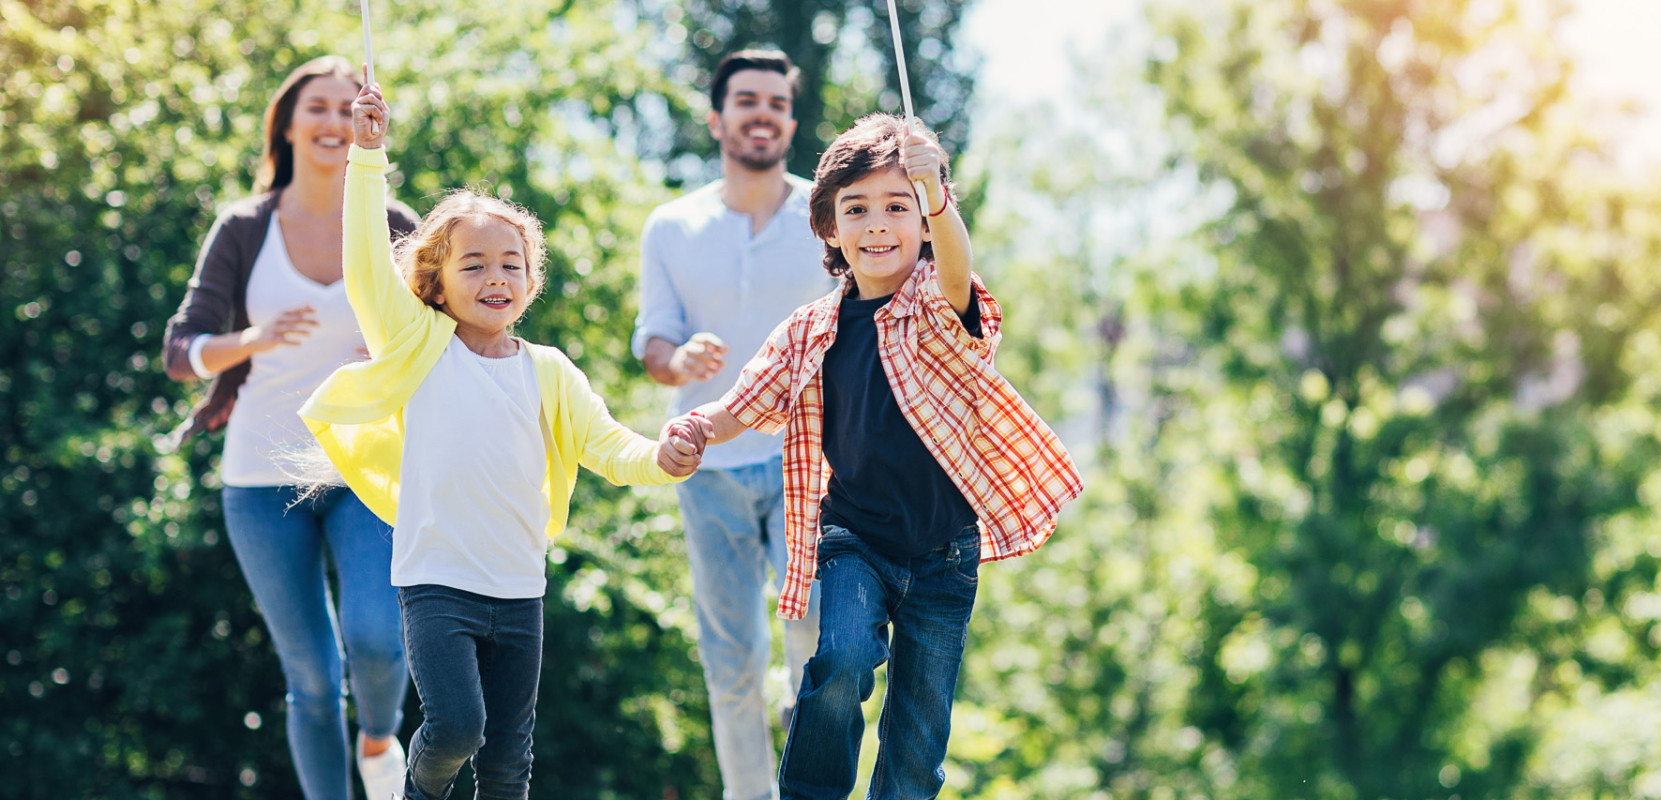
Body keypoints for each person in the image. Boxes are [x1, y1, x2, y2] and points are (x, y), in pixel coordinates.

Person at [301, 72, 704, 800]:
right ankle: (414, 794)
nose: (496, 277)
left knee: (508, 763)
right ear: (438, 279)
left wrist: (666, 458)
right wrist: (368, 157)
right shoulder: (419, 344)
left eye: (511, 264)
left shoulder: (548, 371)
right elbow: (364, 268)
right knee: (455, 729)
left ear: (531, 280)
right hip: (437, 584)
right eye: (474, 264)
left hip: (520, 588)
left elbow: (613, 448)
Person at [667, 114, 1084, 800]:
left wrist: (938, 197)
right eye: (856, 209)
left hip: (944, 555)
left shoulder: (930, 304)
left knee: (919, 739)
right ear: (829, 227)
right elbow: (742, 402)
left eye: (899, 207)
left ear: (923, 220)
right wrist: (696, 430)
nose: (878, 225)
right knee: (841, 659)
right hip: (854, 538)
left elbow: (956, 270)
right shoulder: (808, 330)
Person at [160, 54, 418, 800]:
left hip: (363, 471)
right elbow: (180, 351)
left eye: (348, 109)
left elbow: (448, 335)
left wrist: (402, 347)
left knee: (374, 637)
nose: (334, 123)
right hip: (259, 479)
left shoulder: (396, 226)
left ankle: (378, 734)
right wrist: (252, 340)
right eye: (319, 108)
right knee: (309, 677)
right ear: (289, 123)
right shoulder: (244, 228)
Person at [631, 49, 834, 800]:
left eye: (777, 103)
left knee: (817, 640)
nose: (763, 113)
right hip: (706, 464)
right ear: (717, 118)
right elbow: (651, 342)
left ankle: (811, 772)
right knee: (732, 659)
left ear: (789, 119)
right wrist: (677, 359)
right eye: (747, 100)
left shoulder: (829, 216)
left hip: (805, 460)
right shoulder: (671, 225)